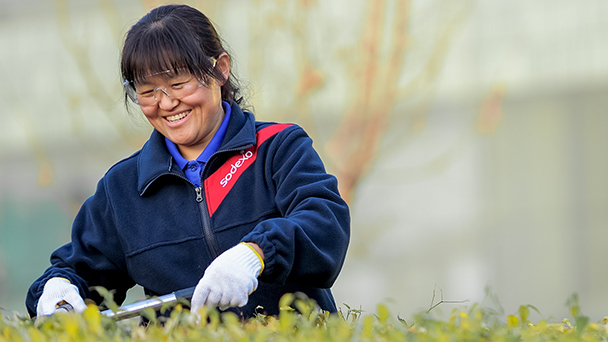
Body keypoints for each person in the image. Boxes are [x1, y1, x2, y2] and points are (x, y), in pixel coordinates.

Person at [25, 4, 350, 319]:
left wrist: (256, 252)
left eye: (178, 84)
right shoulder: (123, 188)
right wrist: (58, 290)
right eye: (148, 91)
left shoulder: (277, 148)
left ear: (220, 69)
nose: (166, 103)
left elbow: (324, 223)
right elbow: (79, 267)